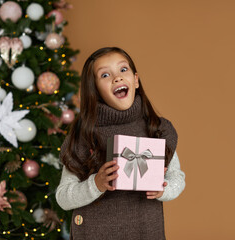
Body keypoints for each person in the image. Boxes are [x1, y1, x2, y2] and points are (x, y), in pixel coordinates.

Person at [55, 47, 185, 239]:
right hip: (94, 232)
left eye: (123, 70)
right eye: (105, 74)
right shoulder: (84, 135)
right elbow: (63, 197)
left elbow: (177, 177)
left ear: (136, 80)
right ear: (95, 90)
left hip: (145, 231)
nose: (117, 78)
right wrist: (96, 184)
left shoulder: (156, 130)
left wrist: (163, 189)